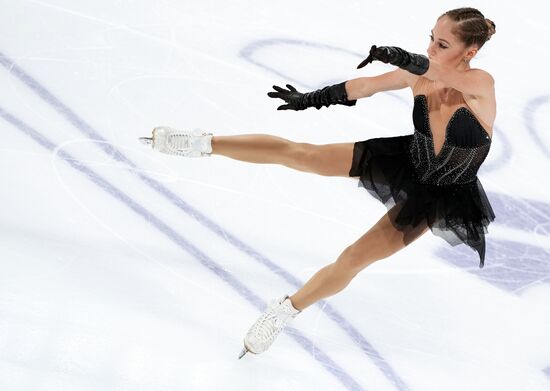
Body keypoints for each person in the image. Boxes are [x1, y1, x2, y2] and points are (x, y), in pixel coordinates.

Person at [139, 7, 497, 359]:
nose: (432, 48)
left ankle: (284, 310)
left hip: (441, 191)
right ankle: (202, 144)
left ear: (470, 52)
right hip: (406, 156)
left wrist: (403, 57)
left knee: (353, 259)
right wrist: (311, 99)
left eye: (443, 44)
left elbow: (442, 74)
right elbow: (365, 86)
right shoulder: (417, 75)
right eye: (431, 38)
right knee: (301, 154)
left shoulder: (480, 84)